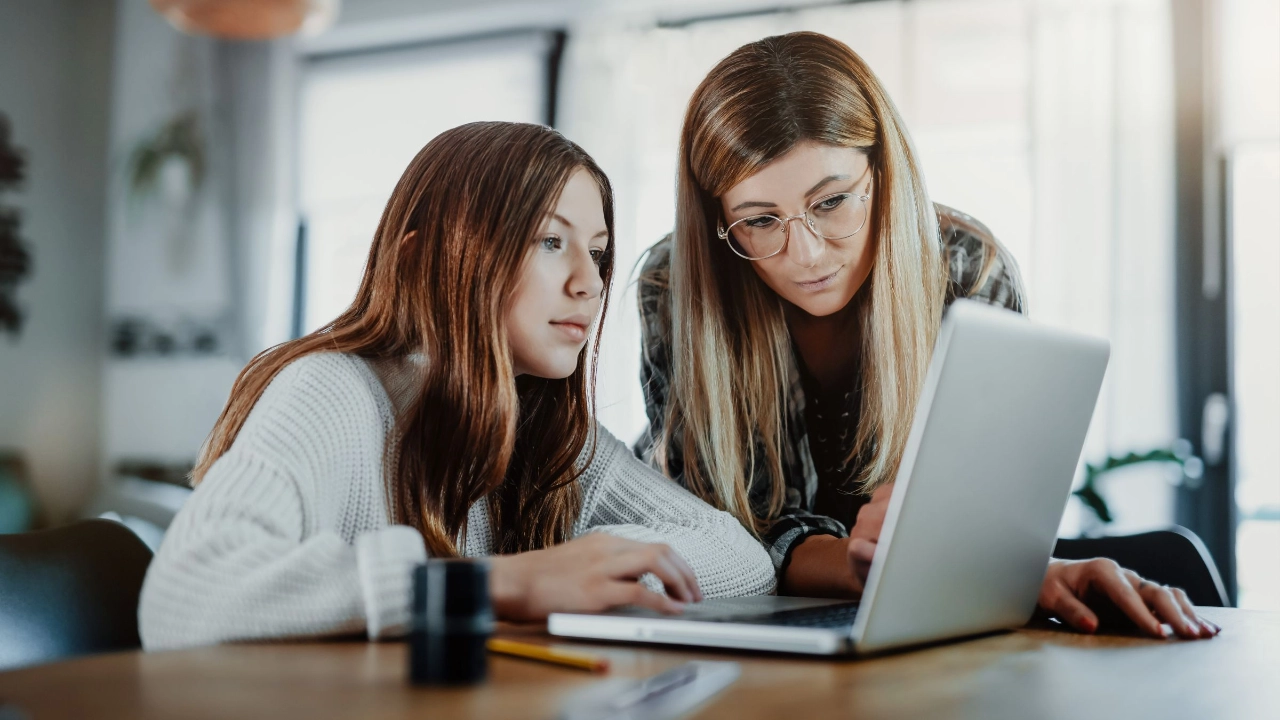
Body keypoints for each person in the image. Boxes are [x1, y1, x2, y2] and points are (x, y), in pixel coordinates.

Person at [636, 32, 1217, 640]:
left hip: (931, 628)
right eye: (759, 221)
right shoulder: (676, 288)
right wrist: (888, 568)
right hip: (752, 637)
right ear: (719, 220)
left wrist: (954, 562)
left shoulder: (968, 271)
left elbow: (987, 521)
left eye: (832, 201)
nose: (805, 254)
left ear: (883, 173)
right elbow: (722, 536)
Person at [138, 121, 775, 651]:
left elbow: (745, 562)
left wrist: (597, 563)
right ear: (425, 258)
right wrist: (495, 584)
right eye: (550, 241)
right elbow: (185, 597)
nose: (590, 283)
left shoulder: (546, 432)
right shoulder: (331, 391)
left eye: (599, 251)